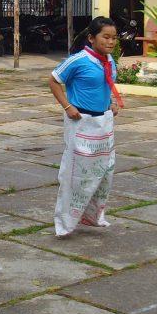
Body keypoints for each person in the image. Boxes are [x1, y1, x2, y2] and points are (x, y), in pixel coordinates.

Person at [49, 16, 121, 237]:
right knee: (75, 175)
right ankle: (65, 223)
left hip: (103, 123)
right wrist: (68, 106)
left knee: (103, 172)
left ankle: (93, 216)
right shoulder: (78, 60)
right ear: (91, 38)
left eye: (114, 38)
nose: (110, 42)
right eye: (105, 37)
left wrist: (111, 102)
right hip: (81, 123)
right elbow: (53, 80)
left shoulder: (109, 61)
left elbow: (107, 85)